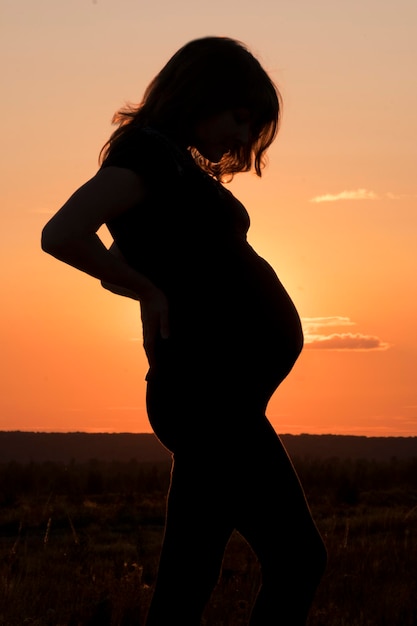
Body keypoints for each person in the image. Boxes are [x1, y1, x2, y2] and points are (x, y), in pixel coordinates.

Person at [41, 36, 327, 625]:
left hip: (215, 396)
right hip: (206, 397)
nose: (243, 141)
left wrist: (142, 280)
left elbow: (134, 252)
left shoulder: (168, 164)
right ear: (201, 93)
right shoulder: (147, 153)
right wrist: (147, 290)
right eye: (239, 117)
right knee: (298, 560)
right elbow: (63, 232)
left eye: (255, 128)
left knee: (186, 579)